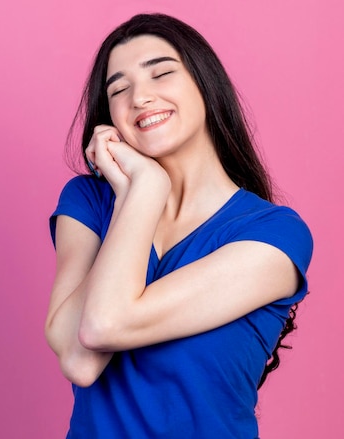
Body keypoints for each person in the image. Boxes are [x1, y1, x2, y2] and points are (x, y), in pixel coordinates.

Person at [45, 13, 313, 438]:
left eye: (161, 73)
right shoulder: (90, 202)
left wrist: (146, 187)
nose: (140, 97)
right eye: (119, 88)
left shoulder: (274, 235)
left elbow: (102, 327)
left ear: (205, 84)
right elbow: (80, 361)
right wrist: (143, 190)